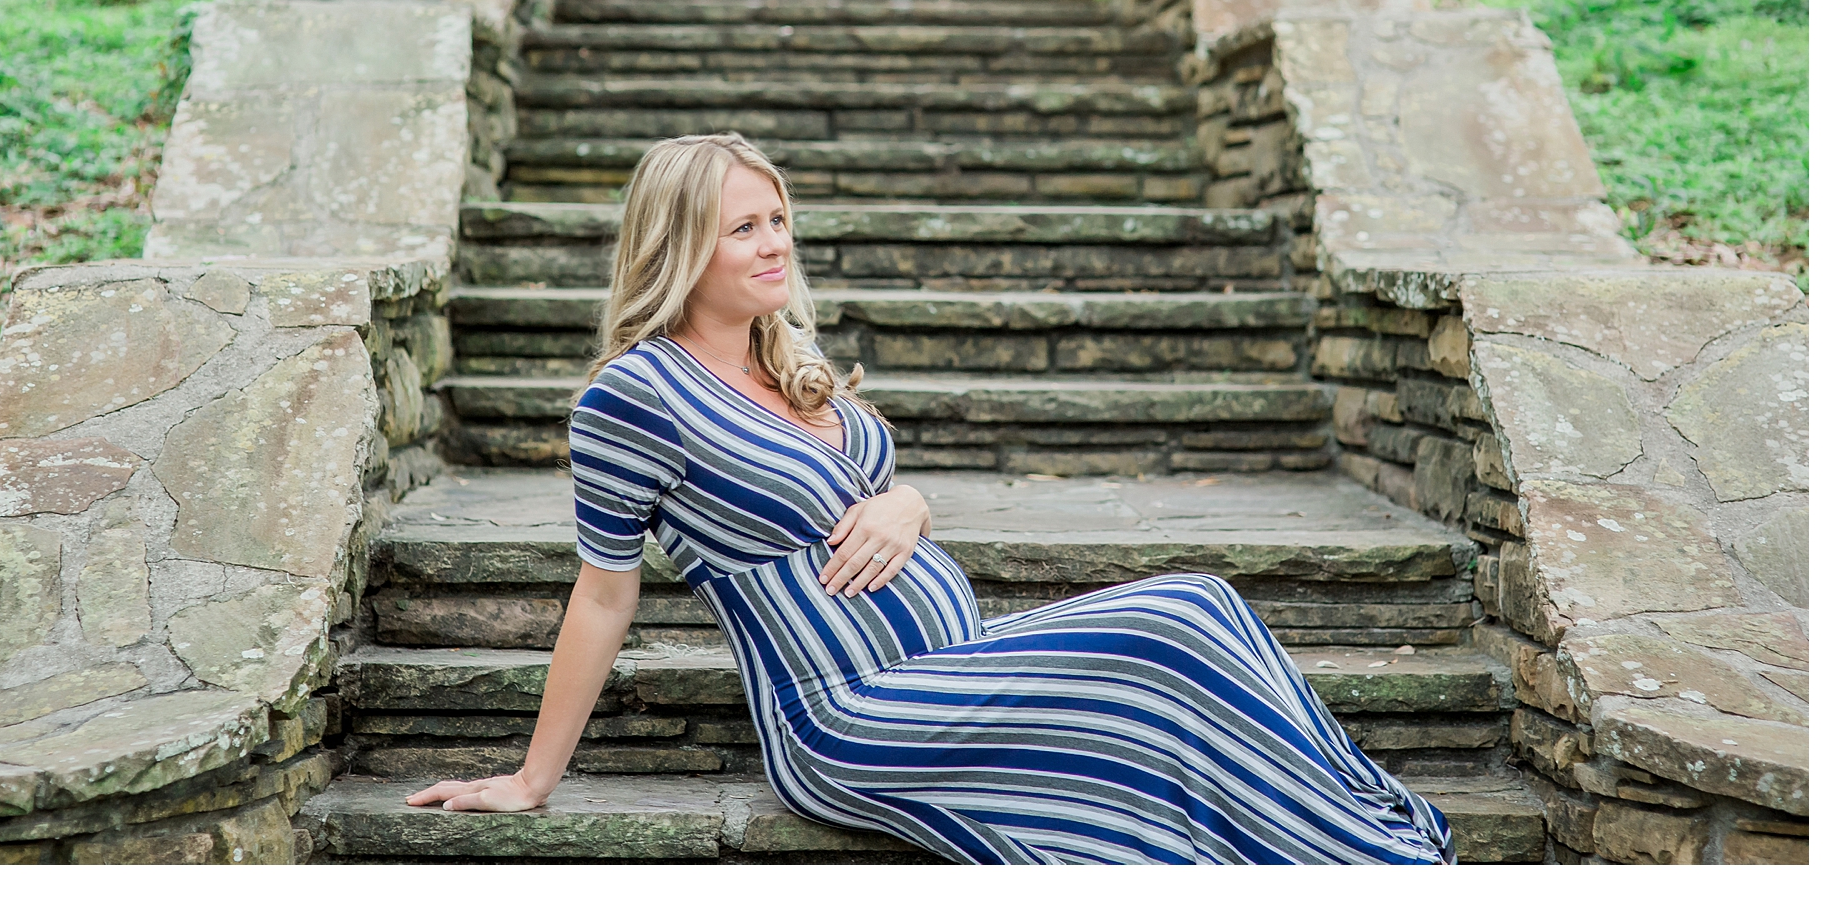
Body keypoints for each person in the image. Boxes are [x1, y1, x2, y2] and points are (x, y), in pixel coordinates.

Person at [406, 133, 1454, 864]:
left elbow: (870, 492)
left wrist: (909, 501)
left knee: (1209, 607)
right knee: (1178, 616)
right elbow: (602, 594)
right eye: (742, 229)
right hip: (845, 713)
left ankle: (1353, 832)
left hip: (944, 665)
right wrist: (532, 780)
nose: (775, 242)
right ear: (679, 246)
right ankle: (1362, 851)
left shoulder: (788, 356)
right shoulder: (638, 393)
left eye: (779, 219)